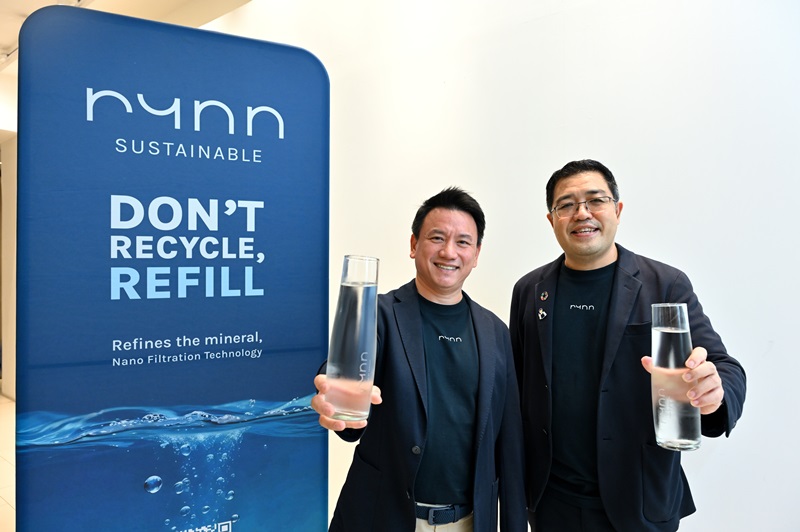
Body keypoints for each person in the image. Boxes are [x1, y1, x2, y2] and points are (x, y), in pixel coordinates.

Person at [509, 159, 746, 532]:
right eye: (566, 205)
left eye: (595, 200)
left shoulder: (664, 285)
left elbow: (724, 366)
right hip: (550, 502)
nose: (582, 213)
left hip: (640, 499)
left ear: (617, 210)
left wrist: (715, 391)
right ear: (552, 220)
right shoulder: (529, 290)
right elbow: (515, 387)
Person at [313, 187, 528, 532]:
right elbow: (347, 371)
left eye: (463, 242)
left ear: (476, 254)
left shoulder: (495, 332)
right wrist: (335, 395)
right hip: (381, 518)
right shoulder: (379, 315)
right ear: (414, 245)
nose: (449, 252)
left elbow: (510, 443)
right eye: (437, 238)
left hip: (470, 522)